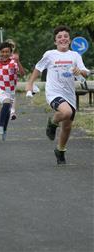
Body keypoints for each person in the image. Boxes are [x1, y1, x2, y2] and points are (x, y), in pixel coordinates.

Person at [26, 25, 89, 165]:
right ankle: (52, 122)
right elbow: (38, 68)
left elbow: (85, 72)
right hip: (54, 92)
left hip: (69, 94)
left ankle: (60, 150)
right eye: (59, 37)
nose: (63, 39)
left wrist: (80, 72)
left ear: (70, 40)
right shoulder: (50, 54)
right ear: (55, 41)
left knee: (67, 127)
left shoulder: (75, 55)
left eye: (65, 36)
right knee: (65, 112)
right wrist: (30, 83)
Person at [0, 42, 22, 141]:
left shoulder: (13, 63)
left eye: (7, 52)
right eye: (2, 52)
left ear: (11, 53)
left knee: (7, 110)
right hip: (0, 90)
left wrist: (18, 62)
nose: (4, 54)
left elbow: (22, 73)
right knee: (7, 102)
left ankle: (4, 129)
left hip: (11, 90)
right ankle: (0, 125)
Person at [6, 38, 25, 120]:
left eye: (12, 46)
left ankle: (12, 112)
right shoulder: (2, 57)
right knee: (5, 97)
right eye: (9, 46)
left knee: (12, 95)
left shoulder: (15, 57)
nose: (11, 47)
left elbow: (22, 73)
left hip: (12, 80)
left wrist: (17, 61)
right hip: (3, 80)